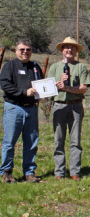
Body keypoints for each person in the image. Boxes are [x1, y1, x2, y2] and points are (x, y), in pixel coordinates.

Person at [0, 39, 44, 183]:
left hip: (31, 108)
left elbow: (41, 84)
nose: (25, 52)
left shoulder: (35, 66)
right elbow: (5, 85)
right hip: (14, 108)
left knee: (31, 141)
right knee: (10, 141)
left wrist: (49, 89)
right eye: (22, 49)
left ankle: (29, 172)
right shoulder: (9, 66)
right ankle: (6, 172)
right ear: (16, 51)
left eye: (28, 50)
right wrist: (24, 92)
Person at [48, 37, 90, 181]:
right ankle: (59, 172)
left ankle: (75, 171)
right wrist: (57, 85)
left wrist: (68, 88)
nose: (69, 50)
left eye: (72, 48)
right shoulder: (54, 67)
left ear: (76, 51)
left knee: (75, 140)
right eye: (66, 47)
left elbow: (83, 88)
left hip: (75, 106)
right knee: (58, 139)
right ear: (62, 50)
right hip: (59, 105)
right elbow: (47, 88)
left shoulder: (81, 67)